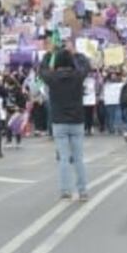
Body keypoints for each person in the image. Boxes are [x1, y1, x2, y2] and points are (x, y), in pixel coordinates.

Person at [40, 48, 91, 201]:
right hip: (77, 120)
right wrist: (77, 54)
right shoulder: (77, 76)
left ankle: (65, 190)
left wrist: (49, 54)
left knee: (63, 158)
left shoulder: (52, 77)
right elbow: (86, 65)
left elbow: (41, 69)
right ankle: (82, 191)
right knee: (78, 158)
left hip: (59, 121)